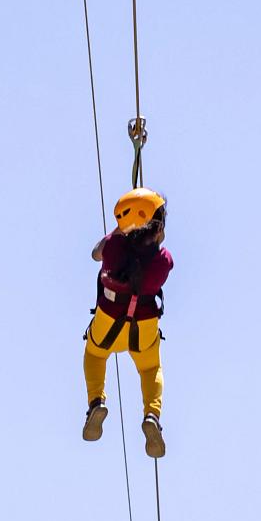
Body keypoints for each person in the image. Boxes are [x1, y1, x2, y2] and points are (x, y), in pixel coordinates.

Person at [82, 187, 171, 457]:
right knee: (150, 369)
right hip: (143, 327)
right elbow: (153, 254)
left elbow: (95, 254)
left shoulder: (114, 247)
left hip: (108, 320)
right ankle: (152, 416)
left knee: (95, 355)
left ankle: (97, 401)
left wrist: (120, 231)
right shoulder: (163, 259)